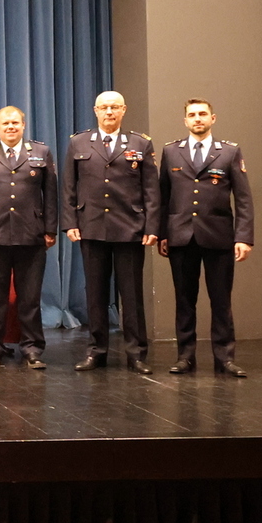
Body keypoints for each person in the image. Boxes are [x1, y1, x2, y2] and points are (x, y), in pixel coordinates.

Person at [62, 92, 159, 374]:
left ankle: (136, 354)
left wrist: (152, 226)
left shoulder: (140, 143)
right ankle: (96, 351)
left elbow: (151, 189)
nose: (109, 112)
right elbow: (69, 186)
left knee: (132, 294)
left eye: (114, 107)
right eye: (104, 107)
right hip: (91, 226)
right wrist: (70, 222)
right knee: (95, 294)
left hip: (130, 227)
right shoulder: (78, 142)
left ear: (123, 110)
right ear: (95, 110)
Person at [158, 98, 254, 377]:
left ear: (213, 118)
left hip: (219, 237)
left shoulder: (229, 152)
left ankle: (225, 358)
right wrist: (163, 233)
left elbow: (244, 199)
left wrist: (244, 237)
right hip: (180, 236)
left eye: (202, 114)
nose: (197, 118)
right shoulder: (171, 152)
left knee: (221, 301)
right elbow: (163, 197)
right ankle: (185, 357)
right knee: (184, 301)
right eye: (192, 115)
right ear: (185, 121)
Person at [0, 106, 57, 369]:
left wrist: (50, 229)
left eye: (15, 123)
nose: (10, 127)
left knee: (30, 298)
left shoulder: (41, 152)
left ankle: (32, 348)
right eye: (5, 123)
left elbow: (51, 194)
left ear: (23, 125)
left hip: (31, 235)